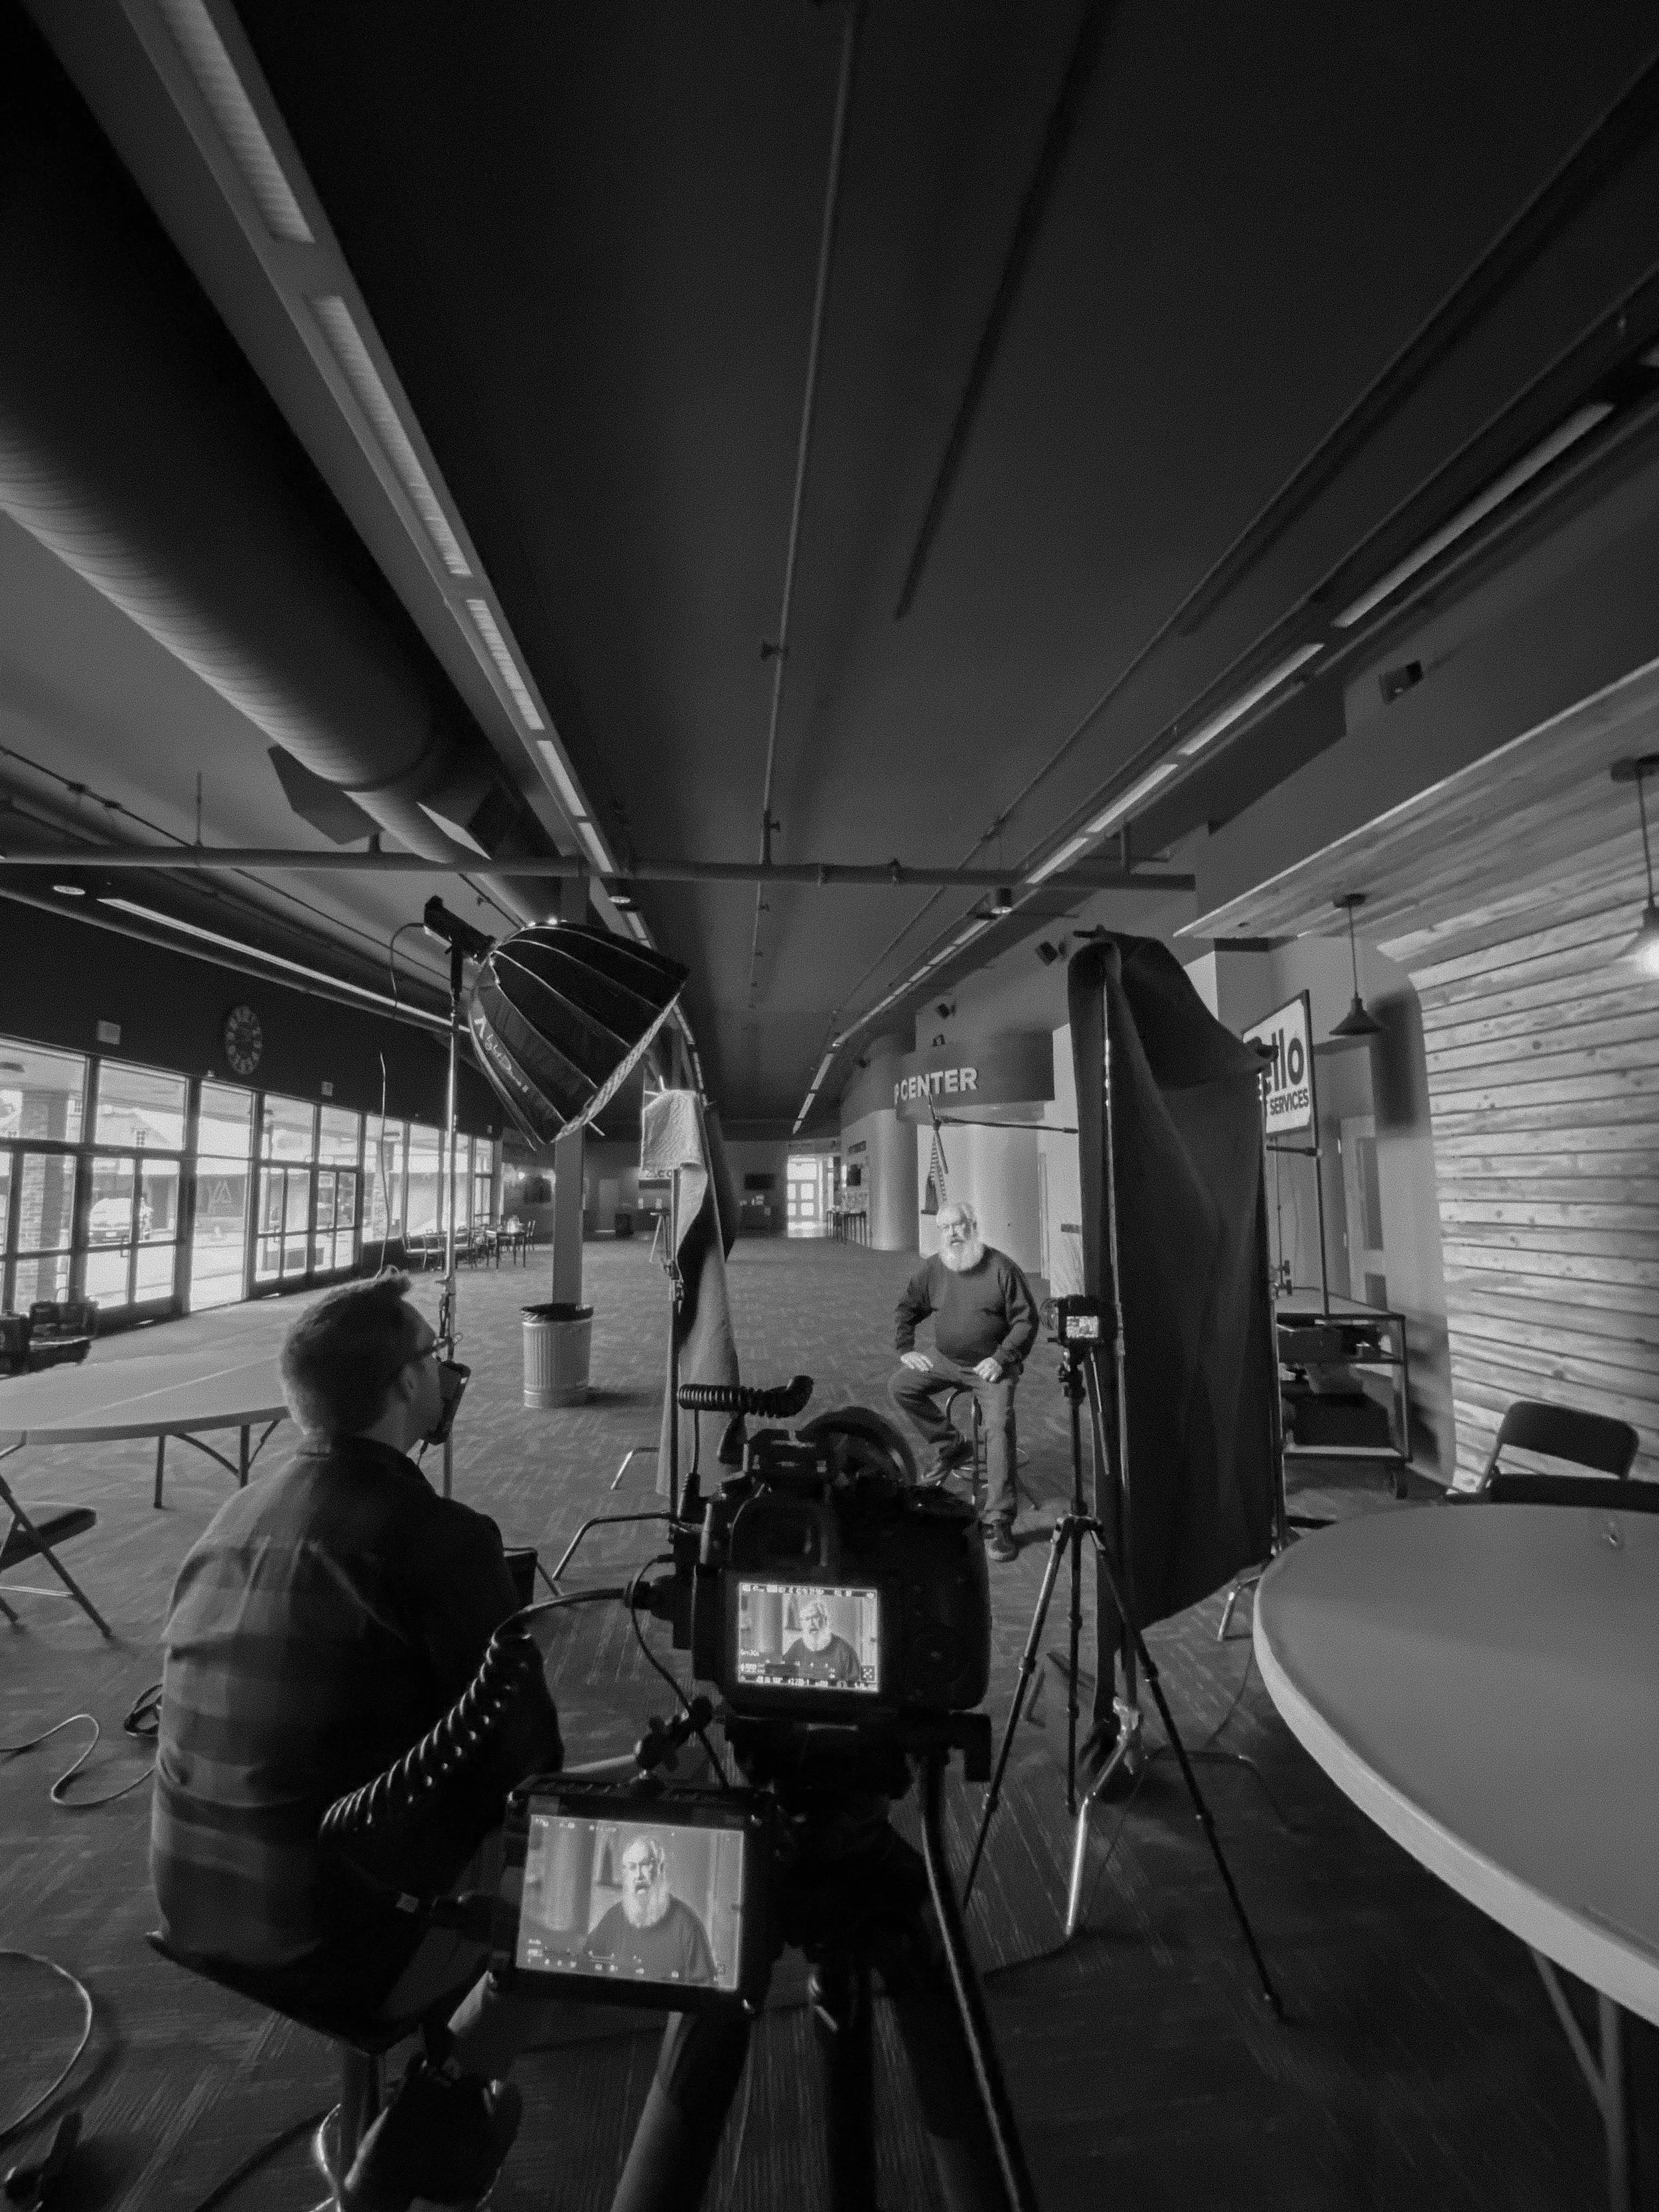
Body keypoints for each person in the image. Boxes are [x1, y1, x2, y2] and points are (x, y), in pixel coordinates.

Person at [150, 1274, 747, 2212]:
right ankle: (441, 2107)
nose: (448, 1371)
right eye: (434, 1356)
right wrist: (633, 1782)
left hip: (190, 1894)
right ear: (399, 1386)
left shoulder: (232, 1517)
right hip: (326, 1935)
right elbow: (528, 1779)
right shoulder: (440, 1537)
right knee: (584, 1860)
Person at [887, 1200, 1039, 1563]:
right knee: (901, 1385)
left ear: (973, 1225)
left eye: (959, 1226)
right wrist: (905, 1348)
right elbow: (907, 1308)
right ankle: (952, 1446)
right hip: (947, 1361)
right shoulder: (934, 1270)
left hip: (992, 1366)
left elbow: (1026, 1321)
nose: (952, 1234)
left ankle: (998, 1521)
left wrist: (1001, 1358)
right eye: (945, 1228)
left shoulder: (1002, 1268)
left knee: (998, 1428)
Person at [583, 1834, 717, 1984]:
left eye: (645, 1864)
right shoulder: (613, 1919)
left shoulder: (687, 1924)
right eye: (632, 1867)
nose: (638, 1876)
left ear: (661, 1868)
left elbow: (706, 1991)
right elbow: (584, 1967)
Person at [782, 1595, 862, 1684]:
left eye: (816, 1617)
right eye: (807, 1619)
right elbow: (783, 1679)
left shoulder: (845, 1650)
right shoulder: (796, 1647)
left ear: (826, 1620)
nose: (811, 1623)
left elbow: (855, 1688)